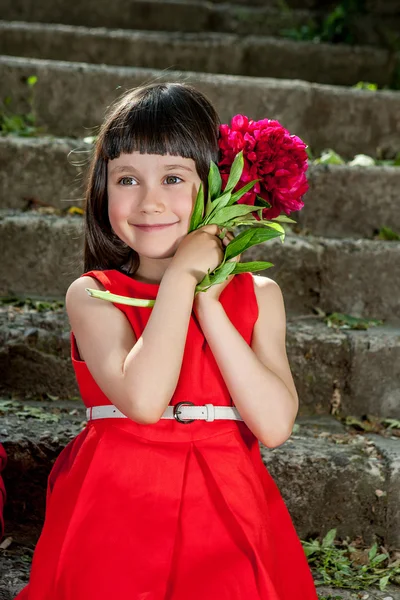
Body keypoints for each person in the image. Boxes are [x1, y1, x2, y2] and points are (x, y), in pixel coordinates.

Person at [15, 82, 319, 600]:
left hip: (225, 509)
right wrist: (180, 278)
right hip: (118, 507)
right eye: (127, 179)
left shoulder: (261, 296)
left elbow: (273, 425)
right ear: (102, 191)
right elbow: (144, 399)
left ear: (218, 188)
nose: (150, 201)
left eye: (174, 178)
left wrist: (209, 302)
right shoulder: (94, 294)